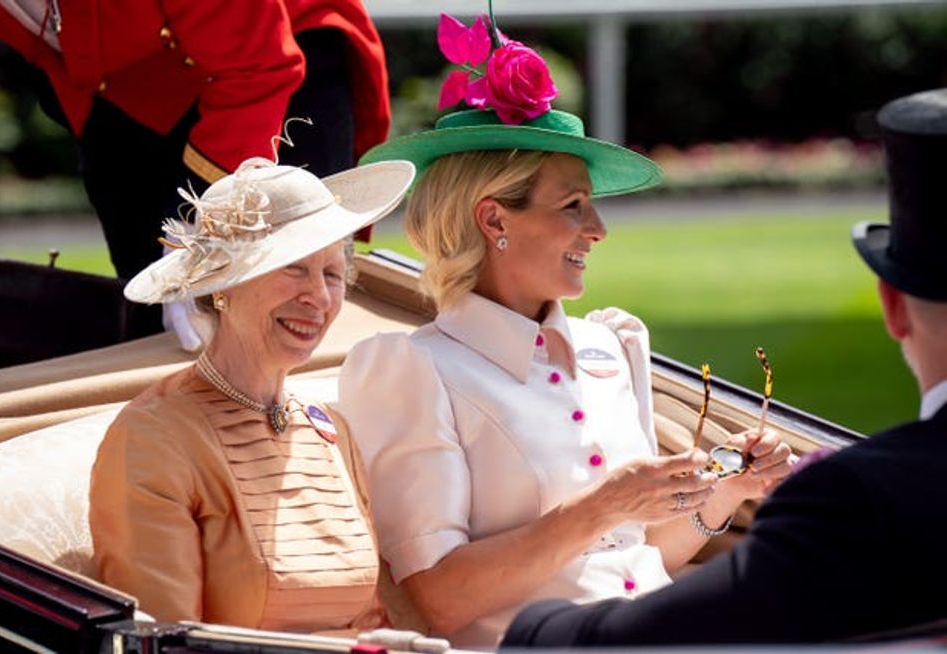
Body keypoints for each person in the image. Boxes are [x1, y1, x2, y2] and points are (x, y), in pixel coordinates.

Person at [335, 9, 793, 649]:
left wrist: (725, 494)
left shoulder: (610, 346)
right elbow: (436, 599)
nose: (598, 229)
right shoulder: (413, 371)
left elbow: (641, 559)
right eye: (572, 206)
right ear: (493, 219)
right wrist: (600, 507)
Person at [500, 88, 947, 647]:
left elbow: (672, 630)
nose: (598, 228)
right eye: (573, 205)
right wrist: (719, 499)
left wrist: (535, 633)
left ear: (893, 306)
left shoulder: (860, 498)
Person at [89, 156, 415, 630]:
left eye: (331, 273)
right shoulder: (152, 439)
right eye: (294, 269)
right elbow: (163, 641)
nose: (320, 298)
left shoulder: (330, 430)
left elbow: (370, 622)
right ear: (223, 286)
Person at [0, 1, 391, 293]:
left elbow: (260, 67)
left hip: (276, 55)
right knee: (156, 319)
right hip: (122, 88)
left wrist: (200, 230)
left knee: (292, 291)